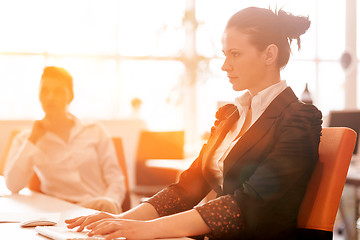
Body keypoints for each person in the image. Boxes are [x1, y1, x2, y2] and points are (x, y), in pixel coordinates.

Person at [65, 7, 322, 240]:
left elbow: (250, 203)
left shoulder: (300, 119)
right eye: (224, 54)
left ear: (269, 54)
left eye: (235, 54)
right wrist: (120, 220)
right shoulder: (231, 115)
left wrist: (147, 229)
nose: (224, 66)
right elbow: (187, 188)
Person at [4, 66, 126, 214]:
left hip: (97, 209)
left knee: (105, 206)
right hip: (59, 213)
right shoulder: (25, 139)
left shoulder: (95, 131)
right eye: (45, 91)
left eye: (58, 91)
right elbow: (13, 185)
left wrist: (109, 206)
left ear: (71, 95)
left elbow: (116, 179)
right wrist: (32, 140)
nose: (50, 97)